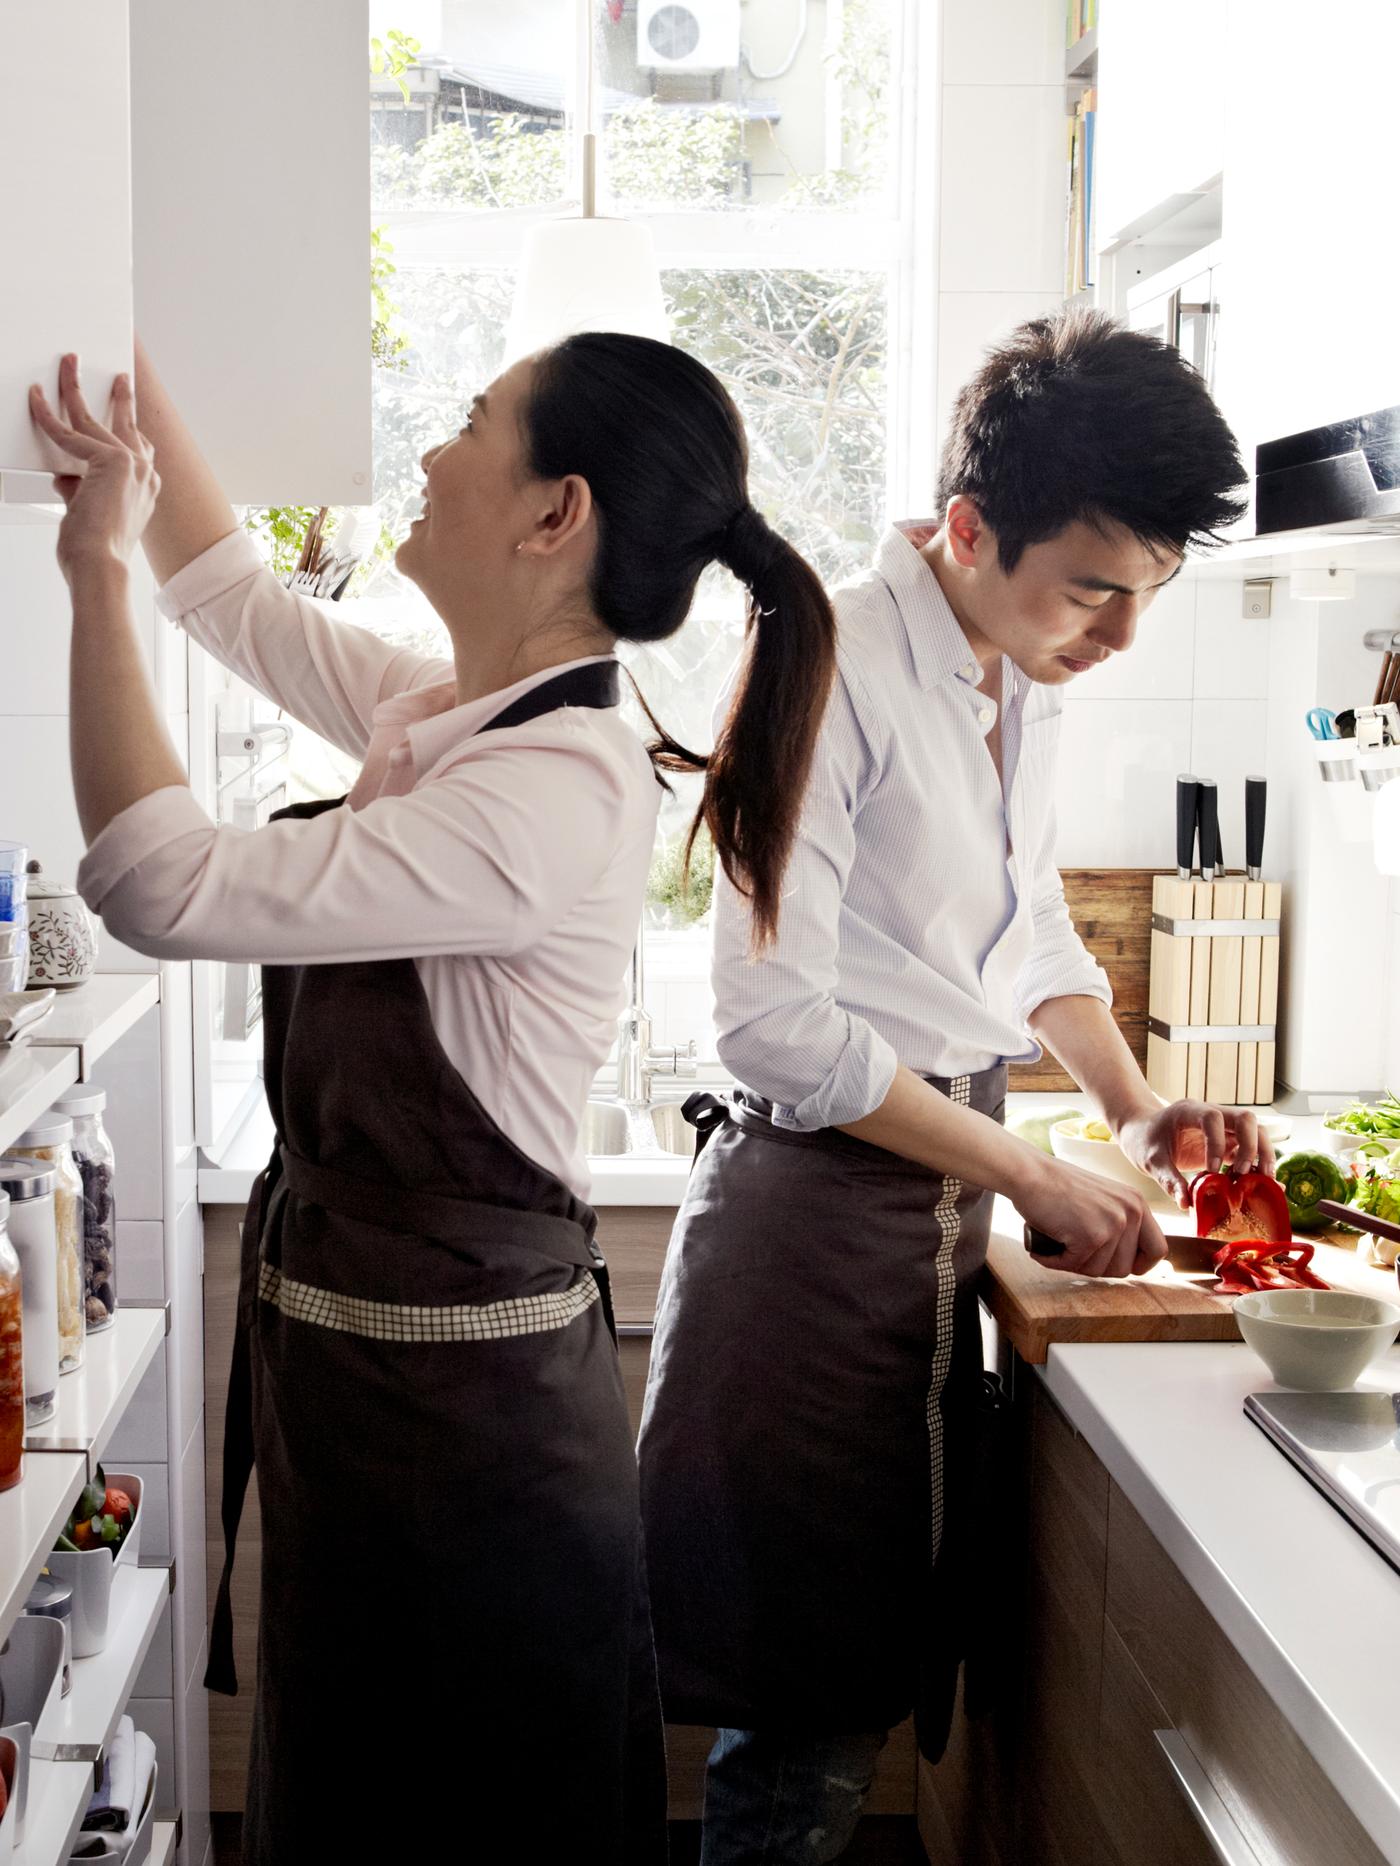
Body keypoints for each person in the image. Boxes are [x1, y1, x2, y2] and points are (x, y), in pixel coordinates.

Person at [29, 333, 836, 1863]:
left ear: (555, 515)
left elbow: (159, 878)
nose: (429, 448)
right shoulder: (456, 715)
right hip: (377, 1426)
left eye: (472, 422)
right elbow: (233, 601)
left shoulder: (550, 790)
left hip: (476, 1477)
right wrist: (117, 357)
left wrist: (87, 577)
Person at [637, 308, 1271, 1864]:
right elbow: (772, 1019)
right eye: (1097, 592)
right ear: (969, 525)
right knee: (798, 1730)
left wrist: (1123, 1106)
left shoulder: (1011, 660)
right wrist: (1025, 1167)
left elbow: (1022, 916)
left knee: (841, 1702)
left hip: (916, 1212)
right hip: (812, 1234)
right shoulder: (828, 653)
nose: (1118, 638)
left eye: (1147, 600)